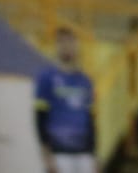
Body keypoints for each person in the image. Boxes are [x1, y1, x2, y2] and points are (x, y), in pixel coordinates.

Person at [35, 25, 98, 173]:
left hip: (84, 153)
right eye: (62, 42)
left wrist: (94, 155)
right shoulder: (47, 78)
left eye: (71, 42)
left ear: (77, 46)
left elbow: (91, 120)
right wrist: (46, 154)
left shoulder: (85, 81)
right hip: (59, 152)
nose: (67, 46)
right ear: (57, 46)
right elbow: (40, 117)